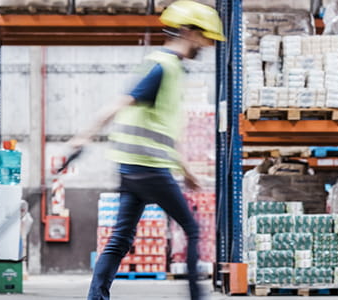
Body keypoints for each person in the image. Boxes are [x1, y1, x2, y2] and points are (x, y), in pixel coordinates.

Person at [68, 1, 225, 299]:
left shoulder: (172, 69)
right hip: (148, 168)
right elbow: (121, 102)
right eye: (205, 37)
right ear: (190, 32)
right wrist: (84, 134)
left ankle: (96, 297)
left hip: (133, 167)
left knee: (120, 238)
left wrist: (186, 171)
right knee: (192, 229)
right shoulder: (163, 67)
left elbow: (163, 130)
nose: (206, 45)